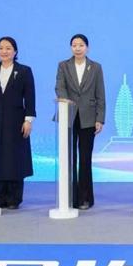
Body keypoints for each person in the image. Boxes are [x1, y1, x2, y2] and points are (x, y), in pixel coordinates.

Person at [0, 37, 36, 210]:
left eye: (8, 48)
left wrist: (28, 120)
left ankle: (14, 198)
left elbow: (30, 97)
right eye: (1, 48)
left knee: (15, 158)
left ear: (15, 51)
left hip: (16, 120)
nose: (4, 51)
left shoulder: (24, 71)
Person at [55, 34, 105, 210]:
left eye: (81, 45)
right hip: (68, 116)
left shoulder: (96, 67)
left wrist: (100, 118)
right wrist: (66, 103)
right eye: (74, 45)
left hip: (88, 118)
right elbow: (59, 87)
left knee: (85, 159)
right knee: (69, 158)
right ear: (71, 48)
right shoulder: (63, 65)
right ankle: (70, 197)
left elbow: (100, 94)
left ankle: (85, 198)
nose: (77, 48)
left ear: (87, 48)